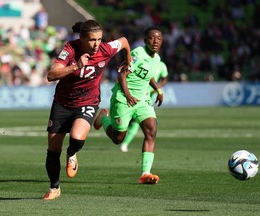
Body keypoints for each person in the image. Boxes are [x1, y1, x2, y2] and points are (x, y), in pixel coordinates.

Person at [43, 19, 132, 200]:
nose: (96, 44)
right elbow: (51, 75)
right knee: (53, 150)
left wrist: (127, 61)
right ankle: (54, 188)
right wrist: (76, 66)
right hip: (62, 103)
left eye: (99, 39)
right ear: (82, 38)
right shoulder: (70, 49)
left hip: (88, 102)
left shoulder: (105, 49)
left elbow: (123, 42)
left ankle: (72, 153)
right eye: (92, 40)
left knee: (76, 138)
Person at [94, 26, 164, 184]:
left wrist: (158, 89)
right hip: (124, 99)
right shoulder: (138, 54)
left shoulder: (157, 59)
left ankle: (145, 173)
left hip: (143, 101)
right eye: (152, 38)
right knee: (118, 138)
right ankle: (103, 118)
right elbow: (121, 74)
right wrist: (128, 95)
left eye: (159, 38)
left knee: (151, 131)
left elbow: (149, 76)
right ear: (146, 40)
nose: (155, 41)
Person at [120, 60, 168, 152]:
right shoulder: (143, 61)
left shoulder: (162, 65)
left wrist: (158, 88)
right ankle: (124, 140)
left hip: (148, 96)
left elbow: (165, 79)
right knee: (130, 122)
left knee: (136, 121)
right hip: (137, 93)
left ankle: (125, 144)